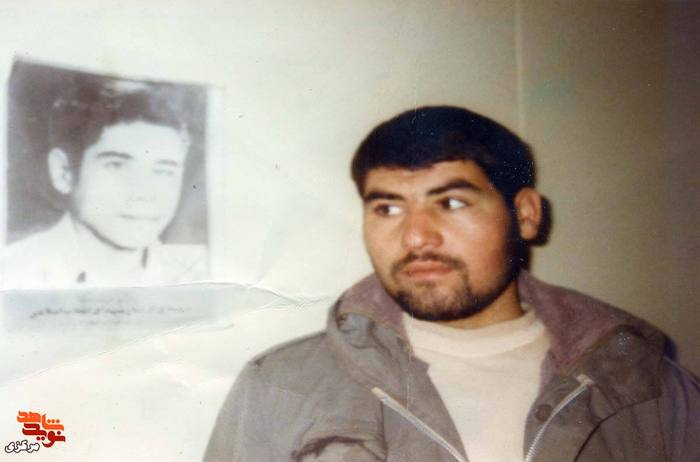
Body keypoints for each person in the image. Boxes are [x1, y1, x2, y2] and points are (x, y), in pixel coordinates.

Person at [204, 106, 699, 461]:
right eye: (388, 208)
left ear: (525, 214)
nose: (416, 237)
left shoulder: (651, 388)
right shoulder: (280, 388)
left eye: (452, 202)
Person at [0, 81, 207, 289]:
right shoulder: (13, 273)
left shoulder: (201, 273)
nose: (144, 194)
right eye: (116, 165)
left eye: (163, 171)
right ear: (64, 172)